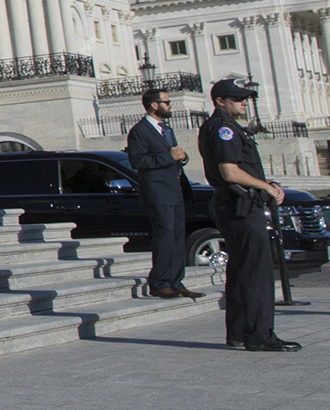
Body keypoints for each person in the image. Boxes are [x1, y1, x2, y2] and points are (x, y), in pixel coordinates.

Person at [197, 78, 297, 352]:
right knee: (257, 272)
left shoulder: (224, 128)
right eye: (237, 98)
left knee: (242, 271)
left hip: (235, 204)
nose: (244, 102)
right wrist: (266, 187)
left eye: (245, 97)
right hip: (239, 206)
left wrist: (266, 185)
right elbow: (230, 171)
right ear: (220, 101)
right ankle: (260, 336)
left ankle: (240, 332)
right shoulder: (223, 130)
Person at [127, 87, 200, 299]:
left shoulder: (166, 129)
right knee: (165, 234)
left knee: (177, 235)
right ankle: (159, 281)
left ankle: (176, 281)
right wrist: (170, 157)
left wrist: (182, 156)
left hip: (175, 188)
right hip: (158, 190)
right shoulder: (140, 131)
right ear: (154, 105)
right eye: (166, 102)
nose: (170, 105)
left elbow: (175, 155)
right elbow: (138, 161)